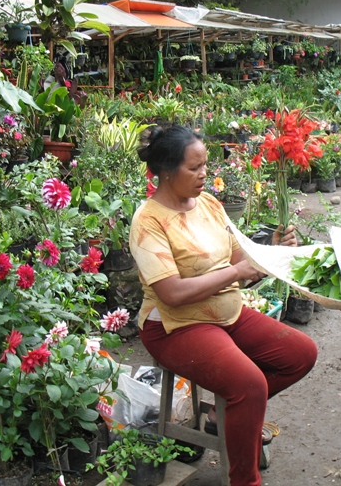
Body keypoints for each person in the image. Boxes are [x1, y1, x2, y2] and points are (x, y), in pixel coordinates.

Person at [130, 125, 318, 486]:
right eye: (194, 168)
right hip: (174, 325)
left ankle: (223, 415)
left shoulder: (210, 205)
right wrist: (236, 271)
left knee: (301, 353)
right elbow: (172, 293)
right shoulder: (148, 221)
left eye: (205, 166)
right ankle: (244, 480)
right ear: (166, 171)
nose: (204, 175)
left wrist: (274, 250)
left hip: (225, 311)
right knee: (249, 385)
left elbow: (241, 263)